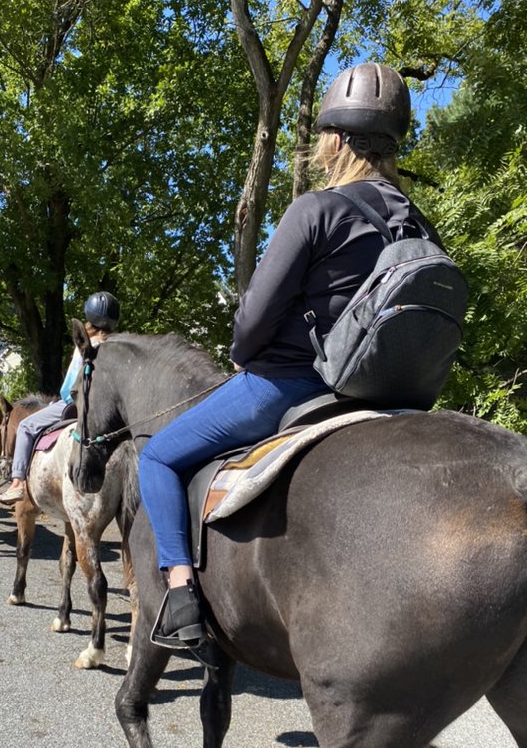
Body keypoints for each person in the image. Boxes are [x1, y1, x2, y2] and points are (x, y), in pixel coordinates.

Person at [140, 62, 441, 653]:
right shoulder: (419, 226)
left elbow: (253, 320)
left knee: (157, 457)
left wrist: (243, 357)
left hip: (292, 385)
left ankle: (179, 592)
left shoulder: (317, 209)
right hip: (390, 394)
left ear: (333, 139)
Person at [0, 291, 120, 504]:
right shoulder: (118, 346)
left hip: (77, 404)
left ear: (89, 315)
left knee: (25, 426)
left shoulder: (85, 344)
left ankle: (17, 483)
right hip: (109, 409)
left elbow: (69, 388)